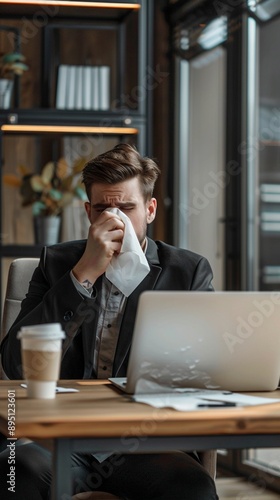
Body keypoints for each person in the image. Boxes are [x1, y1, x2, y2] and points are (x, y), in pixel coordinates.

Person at [0, 143, 218, 499]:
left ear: (149, 210)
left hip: (146, 443)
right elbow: (15, 363)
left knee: (193, 488)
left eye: (126, 208)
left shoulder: (188, 272)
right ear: (88, 212)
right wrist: (82, 274)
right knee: (13, 473)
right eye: (102, 208)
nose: (113, 219)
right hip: (61, 439)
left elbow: (207, 364)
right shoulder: (56, 263)